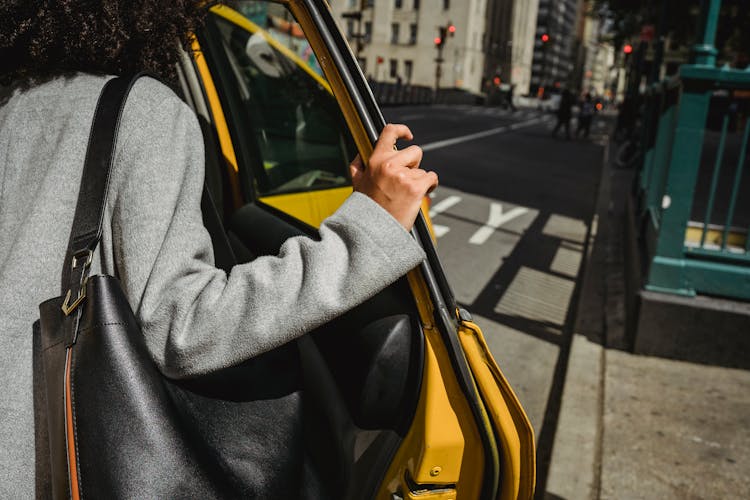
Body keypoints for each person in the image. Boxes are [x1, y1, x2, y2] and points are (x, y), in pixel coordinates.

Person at [0, 1, 437, 496]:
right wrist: (369, 229)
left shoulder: (12, 103)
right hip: (52, 468)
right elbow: (180, 328)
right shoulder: (140, 111)